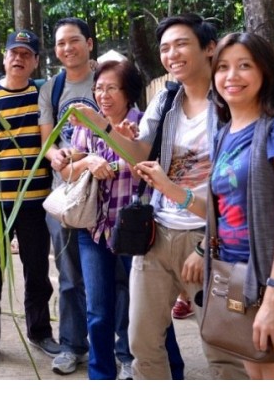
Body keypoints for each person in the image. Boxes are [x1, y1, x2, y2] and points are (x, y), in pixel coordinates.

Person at [72, 14, 247, 380]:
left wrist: (206, 246)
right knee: (142, 343)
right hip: (157, 234)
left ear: (209, 48)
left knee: (222, 350)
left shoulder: (235, 100)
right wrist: (101, 126)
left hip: (212, 240)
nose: (172, 54)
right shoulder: (165, 99)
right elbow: (137, 153)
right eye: (165, 48)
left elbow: (248, 184)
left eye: (181, 44)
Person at [61, 58, 184, 380]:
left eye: (111, 88)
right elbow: (67, 173)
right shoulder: (85, 128)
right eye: (99, 88)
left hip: (135, 231)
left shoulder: (144, 126)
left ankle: (172, 372)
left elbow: (152, 166)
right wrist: (87, 161)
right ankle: (101, 377)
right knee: (98, 312)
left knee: (149, 312)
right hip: (94, 230)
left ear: (128, 91)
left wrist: (121, 163)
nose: (103, 95)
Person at [207, 32, 274, 379]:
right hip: (236, 277)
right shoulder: (224, 132)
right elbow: (222, 208)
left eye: (244, 66)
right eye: (222, 67)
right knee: (256, 381)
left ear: (265, 72)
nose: (231, 76)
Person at [0, 29, 61, 370]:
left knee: (37, 270)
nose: (18, 58)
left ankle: (39, 331)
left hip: (35, 201)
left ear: (35, 61)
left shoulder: (43, 95)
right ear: (4, 58)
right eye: (13, 53)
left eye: (27, 54)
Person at [37, 18, 96, 374]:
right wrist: (54, 155)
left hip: (107, 193)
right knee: (70, 275)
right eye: (60, 43)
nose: (67, 48)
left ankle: (121, 351)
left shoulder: (109, 76)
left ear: (89, 43)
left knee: (115, 275)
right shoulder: (52, 88)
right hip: (65, 196)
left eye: (74, 41)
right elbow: (48, 141)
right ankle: (73, 346)